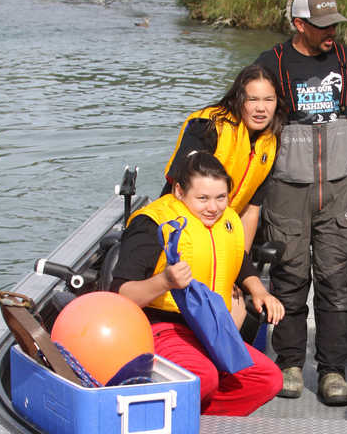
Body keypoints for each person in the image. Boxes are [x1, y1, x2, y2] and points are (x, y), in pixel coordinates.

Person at [111, 151, 284, 416]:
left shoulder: (226, 221)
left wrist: (259, 291)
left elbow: (239, 261)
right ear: (179, 191)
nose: (213, 207)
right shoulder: (151, 224)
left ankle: (199, 421)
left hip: (211, 327)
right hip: (162, 327)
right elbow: (121, 296)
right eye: (202, 198)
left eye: (220, 198)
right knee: (203, 376)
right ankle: (164, 420)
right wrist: (164, 281)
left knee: (266, 379)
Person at [255, 0, 347, 406]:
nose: (331, 31)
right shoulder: (271, 63)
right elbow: (257, 121)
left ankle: (333, 371)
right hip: (287, 191)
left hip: (337, 190)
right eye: (321, 25)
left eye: (334, 23)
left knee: (337, 282)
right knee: (289, 278)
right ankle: (290, 364)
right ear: (299, 24)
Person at [163, 64, 285, 249]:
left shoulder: (270, 143)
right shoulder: (207, 126)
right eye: (252, 99)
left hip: (221, 229)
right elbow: (178, 190)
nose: (261, 108)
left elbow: (251, 209)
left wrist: (240, 264)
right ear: (238, 99)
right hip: (180, 228)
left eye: (269, 100)